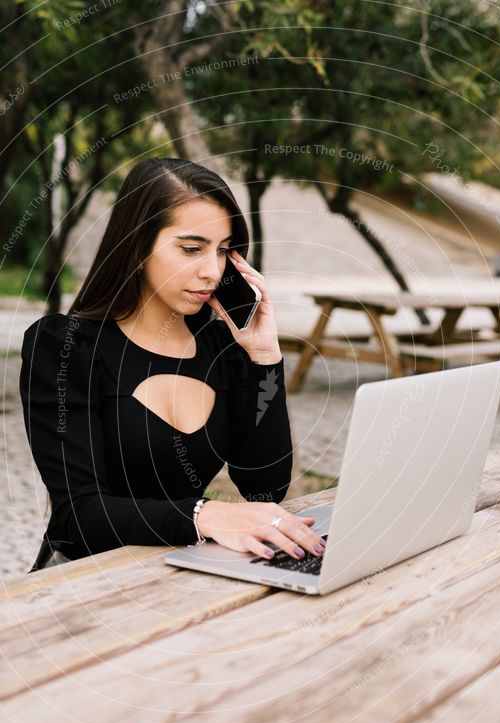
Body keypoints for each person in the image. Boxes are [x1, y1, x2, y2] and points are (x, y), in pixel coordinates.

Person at [20, 158, 326, 572]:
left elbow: (264, 488)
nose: (212, 271)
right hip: (89, 585)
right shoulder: (65, 346)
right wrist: (206, 515)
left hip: (190, 572)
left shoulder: (223, 347)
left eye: (223, 251)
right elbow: (78, 515)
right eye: (191, 249)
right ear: (136, 243)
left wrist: (264, 358)